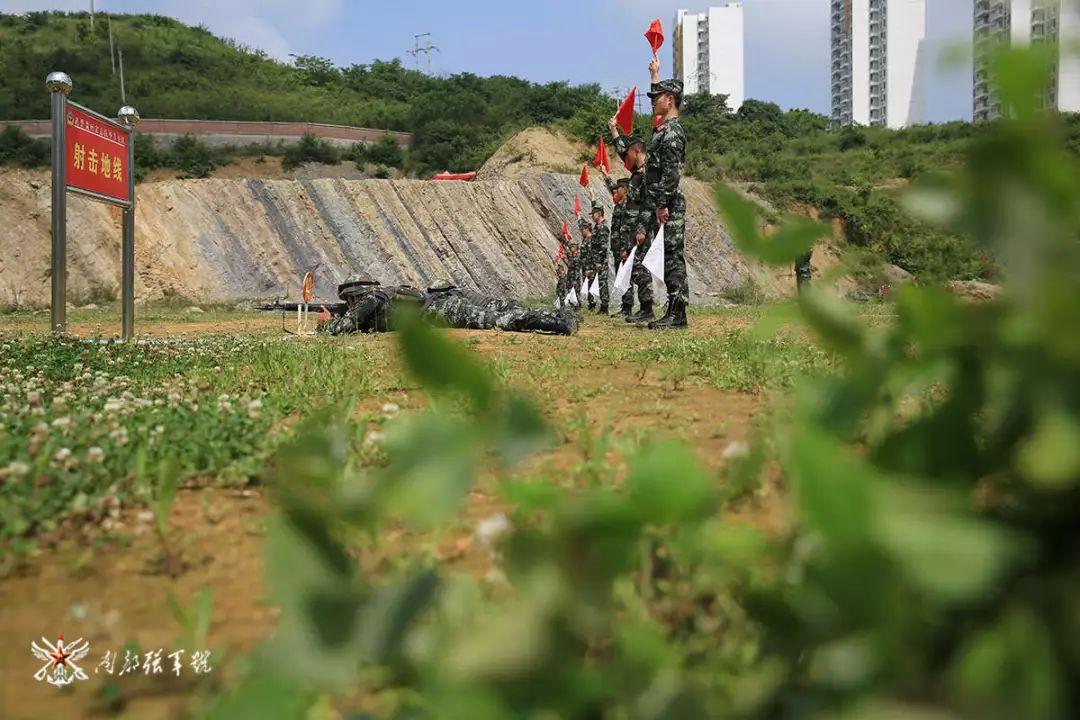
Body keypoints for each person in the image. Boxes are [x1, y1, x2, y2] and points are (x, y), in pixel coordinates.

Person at [319, 277, 578, 336]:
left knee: (499, 320)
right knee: (498, 315)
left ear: (354, 295)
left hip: (441, 312)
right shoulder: (378, 299)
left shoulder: (371, 299)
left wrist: (326, 323)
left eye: (348, 300)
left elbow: (344, 327)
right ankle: (558, 316)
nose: (349, 305)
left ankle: (556, 322)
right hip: (441, 309)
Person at [642, 61, 689, 330]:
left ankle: (678, 314)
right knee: (670, 256)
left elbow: (671, 174)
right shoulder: (665, 129)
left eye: (656, 97)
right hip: (664, 202)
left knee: (672, 256)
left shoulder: (672, 132)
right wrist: (655, 76)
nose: (652, 102)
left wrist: (662, 204)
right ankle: (674, 310)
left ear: (669, 100)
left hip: (668, 203)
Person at [608, 122, 654, 323]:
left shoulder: (647, 173)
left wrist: (643, 229)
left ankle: (647, 308)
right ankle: (645, 308)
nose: (625, 159)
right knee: (634, 268)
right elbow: (623, 154)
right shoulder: (636, 173)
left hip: (641, 230)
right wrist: (614, 131)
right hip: (632, 231)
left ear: (636, 151)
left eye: (628, 155)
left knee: (639, 269)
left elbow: (648, 204)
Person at [602, 176, 633, 317]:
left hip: (623, 248)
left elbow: (625, 229)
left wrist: (624, 249)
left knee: (626, 277)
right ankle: (625, 305)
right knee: (621, 276)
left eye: (619, 188)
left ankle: (627, 307)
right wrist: (605, 176)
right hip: (617, 248)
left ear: (625, 189)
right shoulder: (620, 204)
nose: (616, 190)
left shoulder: (627, 205)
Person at [589, 204, 611, 315]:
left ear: (598, 214)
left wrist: (599, 261)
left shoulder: (603, 227)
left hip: (600, 261)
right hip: (596, 260)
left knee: (603, 283)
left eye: (593, 214)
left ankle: (605, 307)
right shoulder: (597, 226)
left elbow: (603, 246)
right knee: (600, 282)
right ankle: (602, 305)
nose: (592, 217)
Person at [579, 219, 598, 311]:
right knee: (587, 285)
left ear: (587, 229)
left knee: (591, 285)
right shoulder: (585, 239)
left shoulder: (590, 239)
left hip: (589, 267)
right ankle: (590, 304)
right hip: (584, 267)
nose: (581, 232)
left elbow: (591, 255)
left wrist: (589, 268)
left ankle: (592, 305)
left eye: (582, 230)